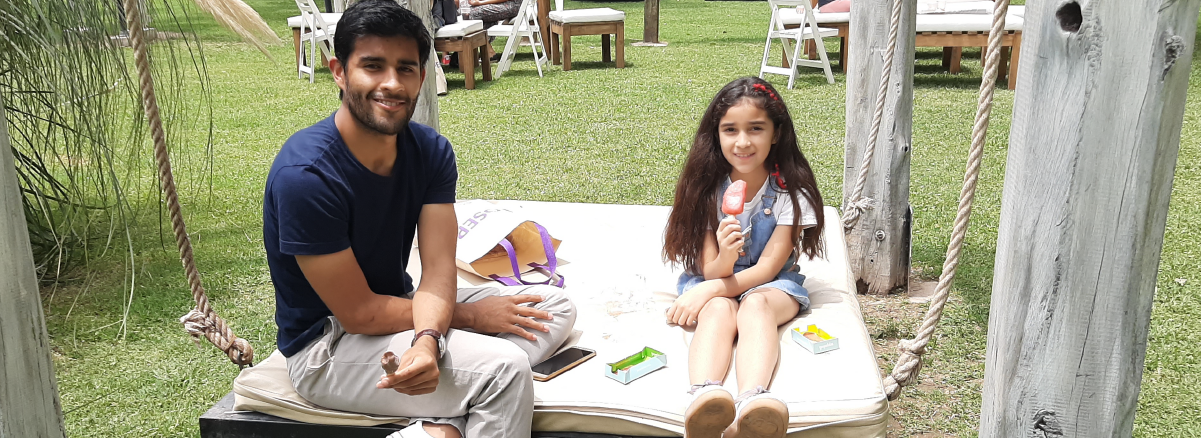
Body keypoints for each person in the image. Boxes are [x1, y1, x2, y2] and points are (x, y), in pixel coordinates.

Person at [262, 2, 576, 437]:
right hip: (328, 345)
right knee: (503, 370)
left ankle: (441, 417)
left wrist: (429, 339)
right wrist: (469, 318)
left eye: (405, 69)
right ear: (339, 72)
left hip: (402, 307)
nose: (392, 83)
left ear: (422, 77)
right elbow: (360, 314)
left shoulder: (429, 151)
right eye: (373, 66)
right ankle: (462, 403)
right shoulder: (307, 177)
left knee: (552, 306)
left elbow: (439, 270)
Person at [662, 77, 825, 438]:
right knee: (719, 310)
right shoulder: (706, 190)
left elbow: (767, 268)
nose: (743, 142)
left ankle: (753, 402)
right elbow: (711, 270)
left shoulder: (791, 194)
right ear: (716, 134)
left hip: (771, 284)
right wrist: (725, 253)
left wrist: (708, 290)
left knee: (755, 306)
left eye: (756, 129)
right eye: (730, 130)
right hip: (716, 277)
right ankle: (704, 399)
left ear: (776, 133)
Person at [455, 0, 521, 60]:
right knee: (477, 13)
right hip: (507, 4)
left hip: (513, 5)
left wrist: (480, 3)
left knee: (471, 13)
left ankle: (469, 53)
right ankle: (487, 53)